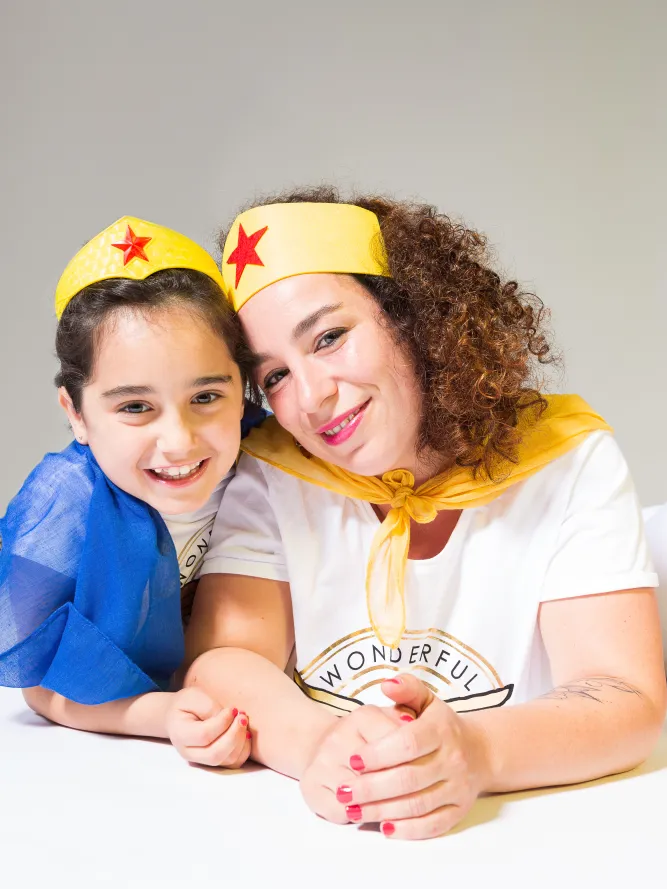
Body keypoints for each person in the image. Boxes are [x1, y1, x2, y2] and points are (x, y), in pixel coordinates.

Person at [185, 189, 666, 840]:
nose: (312, 396)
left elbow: (622, 694)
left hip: (521, 843)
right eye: (274, 377)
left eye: (329, 337)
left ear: (412, 316)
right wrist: (320, 746)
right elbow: (221, 661)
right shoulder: (275, 471)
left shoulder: (568, 460)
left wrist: (474, 751)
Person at [0, 216, 264, 767]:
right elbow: (41, 686)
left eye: (206, 398)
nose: (179, 441)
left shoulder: (274, 456)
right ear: (76, 413)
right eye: (136, 407)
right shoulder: (62, 509)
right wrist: (160, 716)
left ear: (243, 388)